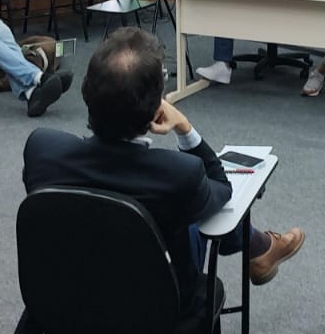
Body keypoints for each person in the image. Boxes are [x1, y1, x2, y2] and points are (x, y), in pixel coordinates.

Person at [22, 27, 304, 303]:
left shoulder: (42, 149)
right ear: (157, 106)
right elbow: (221, 187)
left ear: (86, 93)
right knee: (204, 202)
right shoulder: (180, 174)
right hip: (157, 314)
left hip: (66, 304)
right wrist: (184, 126)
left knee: (190, 201)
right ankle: (258, 247)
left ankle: (258, 247)